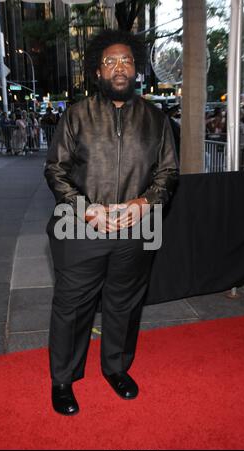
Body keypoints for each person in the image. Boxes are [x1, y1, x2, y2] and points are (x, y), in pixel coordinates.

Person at [44, 29, 179, 416]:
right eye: (110, 62)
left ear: (137, 70)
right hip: (81, 229)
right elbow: (56, 169)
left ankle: (117, 368)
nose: (119, 68)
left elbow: (167, 174)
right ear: (97, 71)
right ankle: (63, 380)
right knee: (72, 306)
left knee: (125, 303)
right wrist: (85, 208)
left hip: (136, 230)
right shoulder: (76, 115)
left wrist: (144, 203)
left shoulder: (157, 119)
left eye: (127, 61)